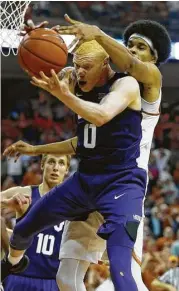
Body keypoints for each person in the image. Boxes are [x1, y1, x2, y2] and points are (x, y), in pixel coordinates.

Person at [2, 25, 170, 289]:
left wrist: (98, 34)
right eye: (131, 44)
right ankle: (11, 261)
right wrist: (37, 40)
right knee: (66, 277)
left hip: (124, 183)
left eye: (141, 47)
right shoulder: (89, 80)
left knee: (125, 271)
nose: (132, 51)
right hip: (88, 179)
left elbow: (105, 106)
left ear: (155, 57)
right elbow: (84, 141)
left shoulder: (146, 81)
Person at [1, 154, 70, 291]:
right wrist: (5, 203)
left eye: (61, 163)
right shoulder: (25, 193)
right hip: (18, 277)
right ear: (42, 165)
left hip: (51, 280)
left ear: (67, 169)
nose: (55, 168)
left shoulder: (74, 203)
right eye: (51, 162)